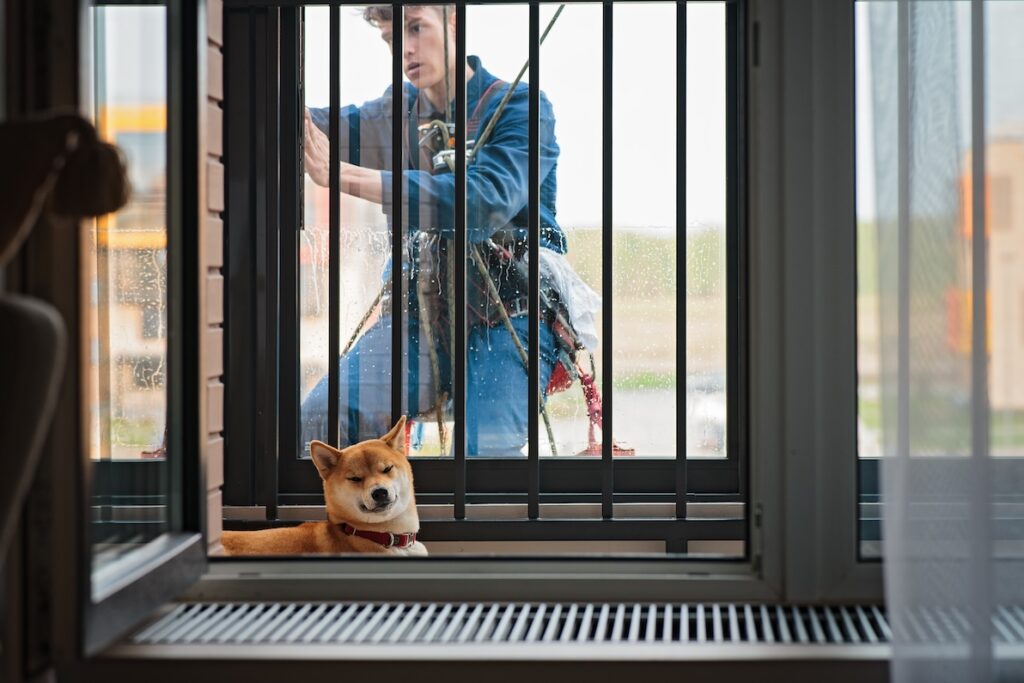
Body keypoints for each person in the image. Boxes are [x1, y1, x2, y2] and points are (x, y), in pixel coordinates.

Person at [301, 4, 591, 457]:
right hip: (418, 318)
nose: (405, 48)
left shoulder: (519, 108)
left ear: (453, 19)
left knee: (480, 460)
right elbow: (311, 128)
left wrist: (342, 175)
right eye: (392, 39)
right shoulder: (396, 114)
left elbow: (484, 201)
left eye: (416, 28)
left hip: (508, 316)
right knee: (320, 419)